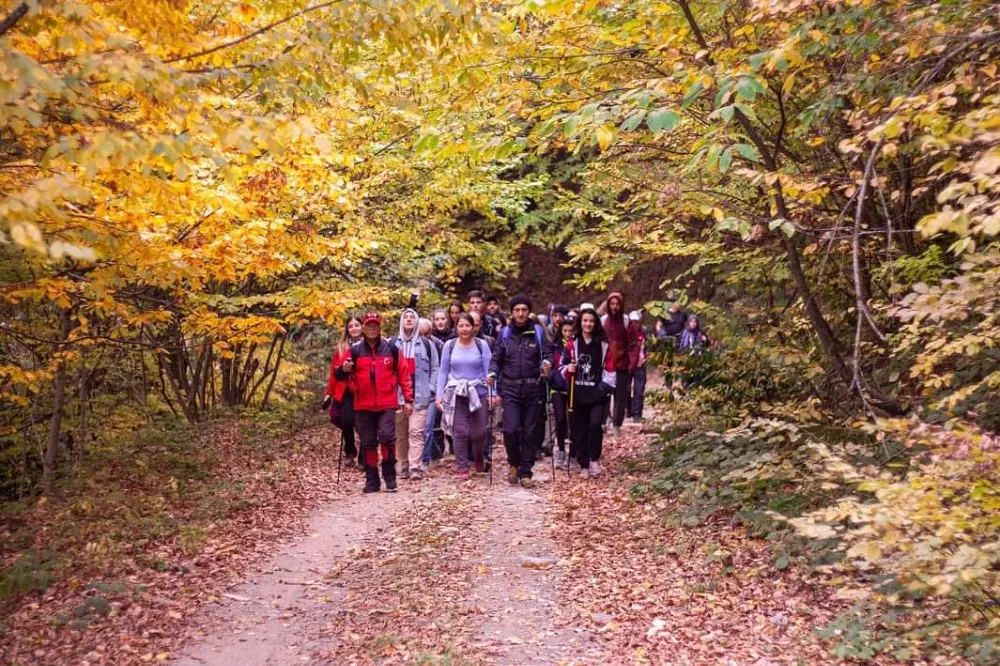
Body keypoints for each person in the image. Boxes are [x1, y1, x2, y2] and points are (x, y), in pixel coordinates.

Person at [336, 312, 413, 494]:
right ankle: (372, 480)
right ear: (364, 328)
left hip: (387, 403)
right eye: (369, 325)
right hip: (362, 404)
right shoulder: (354, 351)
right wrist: (345, 372)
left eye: (375, 325)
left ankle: (390, 476)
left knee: (387, 437)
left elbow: (404, 375)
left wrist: (408, 399)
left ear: (379, 327)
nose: (372, 329)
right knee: (368, 442)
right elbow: (339, 374)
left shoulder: (392, 349)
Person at [488, 294, 547, 488]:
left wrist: (547, 364)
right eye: (517, 310)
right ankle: (514, 462)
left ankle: (526, 472)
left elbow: (547, 353)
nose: (520, 314)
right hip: (511, 388)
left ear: (528, 311)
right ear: (512, 313)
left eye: (524, 310)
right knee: (510, 429)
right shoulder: (505, 334)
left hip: (533, 387)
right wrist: (492, 373)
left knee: (531, 431)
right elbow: (497, 358)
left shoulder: (538, 332)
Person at [560, 308, 616, 478]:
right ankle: (583, 463)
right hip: (577, 393)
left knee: (595, 426)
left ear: (596, 323)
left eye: (591, 321)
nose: (588, 324)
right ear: (580, 322)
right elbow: (562, 367)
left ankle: (593, 459)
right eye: (585, 320)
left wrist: (604, 387)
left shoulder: (604, 345)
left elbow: (610, 368)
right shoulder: (572, 344)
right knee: (579, 429)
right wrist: (568, 369)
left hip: (597, 394)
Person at [437, 313, 492, 480]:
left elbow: (489, 371)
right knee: (459, 431)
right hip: (456, 393)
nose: (464, 329)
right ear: (456, 327)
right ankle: (462, 466)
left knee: (479, 433)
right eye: (461, 326)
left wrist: (493, 393)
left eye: (467, 325)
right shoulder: (449, 345)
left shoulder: (481, 345)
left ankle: (478, 458)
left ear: (474, 327)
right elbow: (443, 371)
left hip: (478, 391)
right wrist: (439, 395)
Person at [393, 307, 439, 481]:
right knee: (401, 434)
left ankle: (415, 467)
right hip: (398, 397)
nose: (410, 320)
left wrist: (432, 388)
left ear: (417, 321)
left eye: (413, 317)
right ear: (402, 321)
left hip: (420, 396)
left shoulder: (427, 344)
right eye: (406, 317)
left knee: (416, 432)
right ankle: (403, 466)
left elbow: (435, 367)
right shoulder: (393, 344)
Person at [323, 315, 363, 467]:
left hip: (362, 390)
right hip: (345, 389)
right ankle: (350, 449)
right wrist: (329, 393)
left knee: (361, 423)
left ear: (362, 327)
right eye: (351, 326)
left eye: (356, 325)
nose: (354, 328)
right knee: (343, 420)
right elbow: (334, 372)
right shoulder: (341, 347)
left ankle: (364, 454)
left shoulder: (370, 345)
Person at [547, 318, 576, 469]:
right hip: (558, 387)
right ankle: (561, 450)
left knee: (573, 420)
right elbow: (550, 363)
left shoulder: (577, 346)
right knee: (560, 419)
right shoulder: (554, 346)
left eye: (570, 331)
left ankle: (574, 452)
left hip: (574, 387)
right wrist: (551, 376)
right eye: (565, 331)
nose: (568, 334)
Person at [628, 311, 648, 423]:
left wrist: (647, 356)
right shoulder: (626, 333)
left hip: (640, 364)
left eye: (637, 322)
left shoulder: (644, 332)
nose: (635, 324)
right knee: (625, 390)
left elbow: (650, 346)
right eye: (633, 322)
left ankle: (637, 413)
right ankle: (628, 409)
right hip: (627, 365)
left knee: (639, 390)